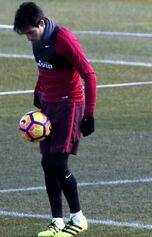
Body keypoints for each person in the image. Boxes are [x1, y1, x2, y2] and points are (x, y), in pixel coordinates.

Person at [13, 2, 97, 237]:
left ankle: (78, 218)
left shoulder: (64, 39)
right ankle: (57, 221)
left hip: (70, 105)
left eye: (31, 32)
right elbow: (44, 70)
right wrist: (38, 91)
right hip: (49, 106)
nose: (29, 38)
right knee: (47, 164)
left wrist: (89, 114)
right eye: (26, 34)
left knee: (59, 164)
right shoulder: (37, 41)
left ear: (41, 23)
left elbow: (88, 74)